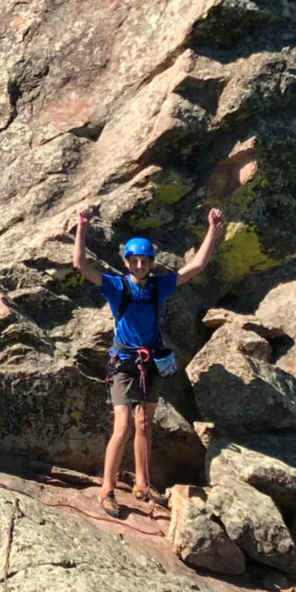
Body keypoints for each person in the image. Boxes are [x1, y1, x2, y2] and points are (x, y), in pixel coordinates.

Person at [71, 202, 224, 517]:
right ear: (127, 262)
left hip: (151, 360)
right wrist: (82, 227)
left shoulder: (158, 286)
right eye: (135, 261)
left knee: (144, 423)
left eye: (145, 261)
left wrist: (212, 229)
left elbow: (195, 267)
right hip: (125, 362)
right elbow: (80, 266)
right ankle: (107, 490)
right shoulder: (117, 286)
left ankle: (142, 483)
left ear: (151, 263)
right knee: (123, 426)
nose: (140, 265)